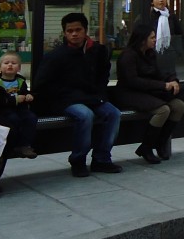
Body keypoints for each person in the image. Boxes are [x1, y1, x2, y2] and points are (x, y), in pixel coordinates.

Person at [34, 12, 123, 178]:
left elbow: (103, 76)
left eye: (78, 29)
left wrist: (100, 95)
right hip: (66, 100)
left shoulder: (98, 51)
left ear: (85, 30)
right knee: (85, 115)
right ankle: (78, 160)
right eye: (69, 31)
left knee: (114, 113)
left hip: (93, 97)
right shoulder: (55, 57)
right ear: (65, 33)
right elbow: (43, 84)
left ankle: (101, 159)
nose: (74, 34)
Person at [112, 19, 184, 164]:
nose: (154, 40)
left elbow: (160, 73)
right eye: (152, 37)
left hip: (149, 92)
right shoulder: (128, 56)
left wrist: (173, 80)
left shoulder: (150, 53)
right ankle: (147, 146)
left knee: (179, 106)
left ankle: (161, 142)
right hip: (129, 93)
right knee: (163, 110)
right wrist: (163, 85)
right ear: (142, 40)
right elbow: (133, 81)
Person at [0, 51, 38, 161]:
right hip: (4, 110)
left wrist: (29, 95)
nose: (10, 65)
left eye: (13, 63)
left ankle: (25, 145)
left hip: (20, 109)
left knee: (31, 118)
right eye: (6, 63)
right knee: (13, 119)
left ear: (19, 68)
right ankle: (13, 145)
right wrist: (14, 100)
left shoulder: (20, 81)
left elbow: (26, 92)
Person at [149, 0, 184, 76]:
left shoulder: (171, 17)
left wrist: (177, 52)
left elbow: (179, 33)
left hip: (168, 55)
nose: (161, 0)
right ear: (152, 1)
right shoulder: (146, 16)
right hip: (151, 54)